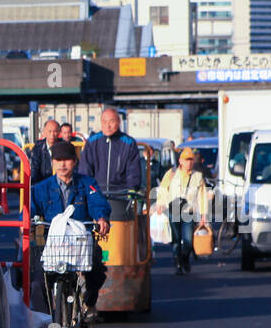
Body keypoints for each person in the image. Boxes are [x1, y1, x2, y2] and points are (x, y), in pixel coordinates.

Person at [31, 139, 110, 327]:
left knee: (97, 271)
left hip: (81, 243)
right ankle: (46, 322)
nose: (62, 164)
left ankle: (88, 303)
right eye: (58, 160)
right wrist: (28, 222)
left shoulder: (87, 184)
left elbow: (98, 203)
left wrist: (101, 218)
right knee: (37, 281)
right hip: (53, 245)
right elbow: (30, 209)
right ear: (52, 162)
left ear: (74, 162)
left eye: (67, 160)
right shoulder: (41, 188)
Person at [78, 107, 142, 219]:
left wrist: (131, 190)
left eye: (111, 121)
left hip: (120, 198)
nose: (108, 126)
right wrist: (89, 190)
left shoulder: (128, 143)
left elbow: (133, 171)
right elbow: (85, 170)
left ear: (118, 122)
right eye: (104, 122)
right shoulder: (92, 142)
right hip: (96, 197)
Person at [155, 146, 210, 275]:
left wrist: (203, 215)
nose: (189, 162)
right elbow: (163, 188)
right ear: (180, 161)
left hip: (188, 213)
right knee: (175, 240)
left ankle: (184, 258)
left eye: (191, 159)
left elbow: (202, 196)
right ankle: (178, 264)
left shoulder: (198, 176)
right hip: (173, 211)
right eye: (186, 159)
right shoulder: (171, 173)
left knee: (188, 240)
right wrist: (160, 203)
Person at [29, 119, 60, 184]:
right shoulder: (38, 148)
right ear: (44, 132)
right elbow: (34, 169)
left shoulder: (65, 146)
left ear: (59, 132)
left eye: (55, 131)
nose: (52, 134)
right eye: (50, 131)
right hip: (43, 184)